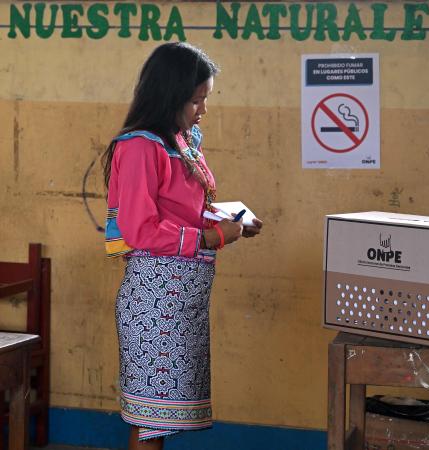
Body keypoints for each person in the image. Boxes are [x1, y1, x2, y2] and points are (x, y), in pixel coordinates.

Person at [102, 42, 262, 450]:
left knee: (160, 417)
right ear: (169, 95)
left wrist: (232, 221)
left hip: (182, 300)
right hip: (155, 305)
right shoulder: (141, 147)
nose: (202, 109)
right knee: (149, 419)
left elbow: (187, 207)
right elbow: (140, 229)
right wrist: (210, 238)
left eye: (205, 99)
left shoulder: (181, 141)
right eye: (196, 100)